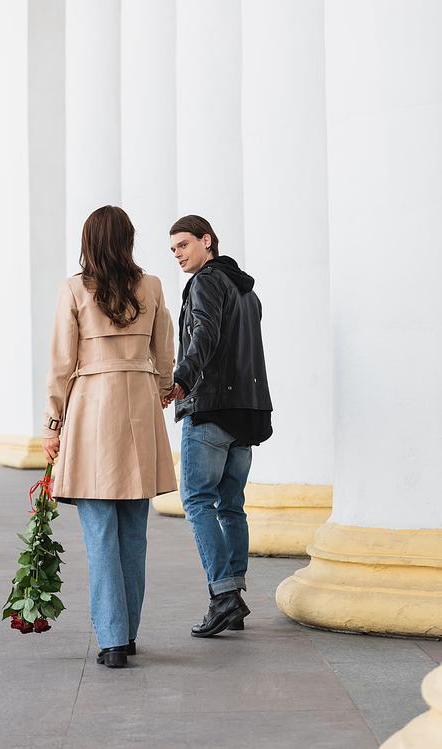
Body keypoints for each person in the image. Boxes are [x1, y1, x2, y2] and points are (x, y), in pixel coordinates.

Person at [42, 205, 177, 668]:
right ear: (128, 239)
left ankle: (113, 640)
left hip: (91, 409)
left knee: (99, 529)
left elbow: (62, 363)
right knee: (133, 530)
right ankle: (128, 634)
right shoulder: (153, 285)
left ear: (89, 241)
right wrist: (159, 391)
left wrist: (51, 425)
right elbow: (165, 351)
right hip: (139, 401)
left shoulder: (75, 288)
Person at [167, 215, 272, 637]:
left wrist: (182, 378)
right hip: (245, 413)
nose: (177, 254)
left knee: (196, 502)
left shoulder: (206, 281)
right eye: (172, 248)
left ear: (206, 241)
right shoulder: (247, 292)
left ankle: (224, 597)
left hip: (210, 408)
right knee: (230, 507)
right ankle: (235, 597)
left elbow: (205, 334)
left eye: (183, 244)